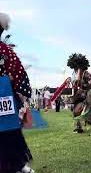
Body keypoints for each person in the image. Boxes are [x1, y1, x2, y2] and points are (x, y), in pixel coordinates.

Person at [0, 12, 34, 173]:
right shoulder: (6, 50)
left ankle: (16, 165)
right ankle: (17, 165)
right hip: (6, 99)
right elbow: (20, 77)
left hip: (5, 101)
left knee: (8, 136)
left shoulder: (6, 51)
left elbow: (19, 75)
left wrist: (10, 81)